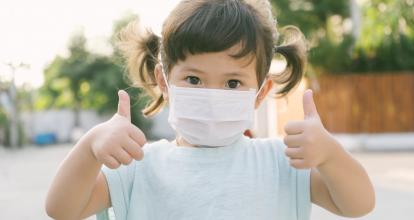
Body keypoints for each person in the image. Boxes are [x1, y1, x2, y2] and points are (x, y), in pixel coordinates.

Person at [45, 0, 375, 219]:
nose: (213, 95)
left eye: (232, 83)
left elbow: (358, 204)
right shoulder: (137, 168)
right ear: (164, 80)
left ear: (260, 93)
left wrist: (330, 154)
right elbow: (61, 209)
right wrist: (89, 149)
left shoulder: (282, 162)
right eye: (194, 78)